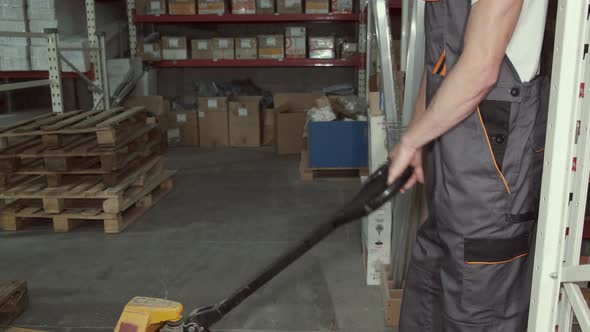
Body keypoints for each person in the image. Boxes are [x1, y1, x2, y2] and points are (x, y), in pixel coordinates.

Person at [386, 0, 549, 330]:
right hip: (452, 154)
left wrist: (412, 141)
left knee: (478, 299)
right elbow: (440, 67)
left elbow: (481, 69)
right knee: (431, 285)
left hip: (491, 164)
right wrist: (420, 134)